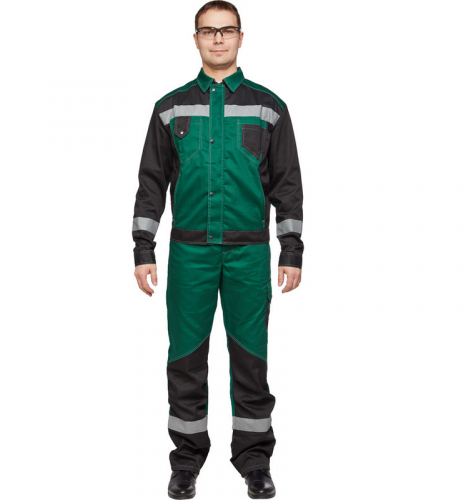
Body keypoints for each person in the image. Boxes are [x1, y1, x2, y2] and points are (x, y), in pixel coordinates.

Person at [132, 1, 303, 498]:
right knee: (186, 359)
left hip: (249, 255)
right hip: (190, 254)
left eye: (227, 30)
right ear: (196, 40)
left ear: (241, 37)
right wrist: (143, 248)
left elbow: (288, 184)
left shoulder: (270, 107)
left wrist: (291, 250)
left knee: (250, 360)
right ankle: (186, 461)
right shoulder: (170, 108)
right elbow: (151, 182)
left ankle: (255, 461)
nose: (219, 38)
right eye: (209, 31)